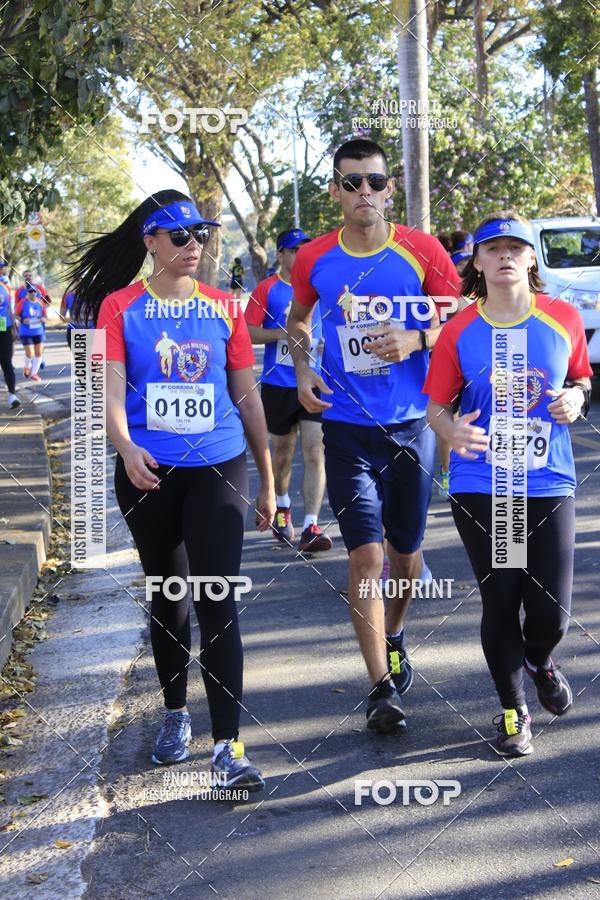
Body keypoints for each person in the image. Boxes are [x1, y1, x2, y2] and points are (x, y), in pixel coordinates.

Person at [68, 190, 276, 789]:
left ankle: (229, 748)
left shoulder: (225, 307)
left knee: (217, 598)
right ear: (151, 242)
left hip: (219, 467)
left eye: (200, 234)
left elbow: (246, 397)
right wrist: (126, 447)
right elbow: (109, 393)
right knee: (169, 594)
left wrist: (268, 478)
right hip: (148, 472)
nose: (194, 245)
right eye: (179, 235)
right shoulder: (120, 307)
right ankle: (175, 713)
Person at [287, 138, 461, 733]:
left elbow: (461, 316)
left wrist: (418, 339)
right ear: (335, 190)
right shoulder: (313, 257)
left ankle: (395, 632)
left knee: (405, 557)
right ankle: (380, 687)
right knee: (366, 556)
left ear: (390, 189)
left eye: (376, 182)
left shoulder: (422, 250)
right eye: (353, 182)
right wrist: (304, 370)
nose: (366, 191)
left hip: (411, 425)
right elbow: (298, 321)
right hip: (345, 426)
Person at [424, 212, 592, 757]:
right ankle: (513, 710)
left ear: (530, 257)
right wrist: (451, 430)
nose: (504, 256)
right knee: (502, 596)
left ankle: (539, 660)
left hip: (546, 480)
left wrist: (576, 398)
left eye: (514, 248)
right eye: (492, 248)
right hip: (485, 481)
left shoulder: (562, 317)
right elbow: (436, 408)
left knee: (550, 612)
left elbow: (580, 379)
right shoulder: (459, 330)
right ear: (477, 261)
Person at [245, 228, 332, 552]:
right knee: (281, 454)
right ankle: (282, 506)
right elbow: (248, 332)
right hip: (278, 384)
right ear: (280, 254)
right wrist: (284, 333)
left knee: (315, 451)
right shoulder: (268, 289)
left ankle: (311, 524)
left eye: (306, 248)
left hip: (317, 380)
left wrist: (327, 343)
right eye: (295, 249)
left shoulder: (322, 285)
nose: (301, 254)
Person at [17, 285, 46, 381]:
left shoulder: (40, 302)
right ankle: (27, 366)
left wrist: (43, 319)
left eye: (34, 291)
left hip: (38, 331)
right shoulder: (23, 302)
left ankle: (34, 373)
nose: (33, 293)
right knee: (30, 353)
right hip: (26, 332)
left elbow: (45, 316)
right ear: (27, 293)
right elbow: (16, 315)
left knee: (39, 352)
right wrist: (22, 320)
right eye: (30, 292)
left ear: (37, 292)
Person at [0, 276, 20, 408]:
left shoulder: (5, 288)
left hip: (3, 326)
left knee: (6, 362)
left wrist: (14, 328)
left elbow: (9, 310)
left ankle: (12, 396)